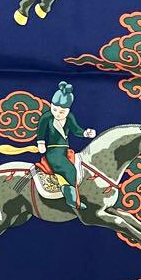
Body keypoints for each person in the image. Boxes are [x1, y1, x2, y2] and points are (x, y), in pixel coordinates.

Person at [35, 81, 96, 213]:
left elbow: (76, 130)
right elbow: (41, 132)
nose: (57, 113)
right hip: (53, 152)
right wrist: (41, 143)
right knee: (69, 170)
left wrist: (85, 133)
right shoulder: (47, 117)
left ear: (68, 111)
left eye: (61, 112)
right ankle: (71, 198)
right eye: (54, 109)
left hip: (65, 150)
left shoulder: (70, 118)